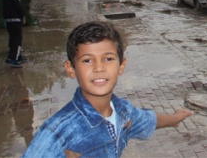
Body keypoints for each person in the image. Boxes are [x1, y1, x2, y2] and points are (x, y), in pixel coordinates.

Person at [22, 21, 194, 157]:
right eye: (87, 60)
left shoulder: (123, 113)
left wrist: (174, 119)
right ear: (71, 69)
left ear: (121, 65)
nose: (99, 68)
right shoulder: (57, 134)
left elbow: (148, 120)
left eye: (108, 59)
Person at [3, 0, 26, 68]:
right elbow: (18, 6)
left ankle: (17, 56)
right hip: (14, 19)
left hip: (9, 20)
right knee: (17, 39)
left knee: (13, 39)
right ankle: (13, 59)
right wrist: (23, 16)